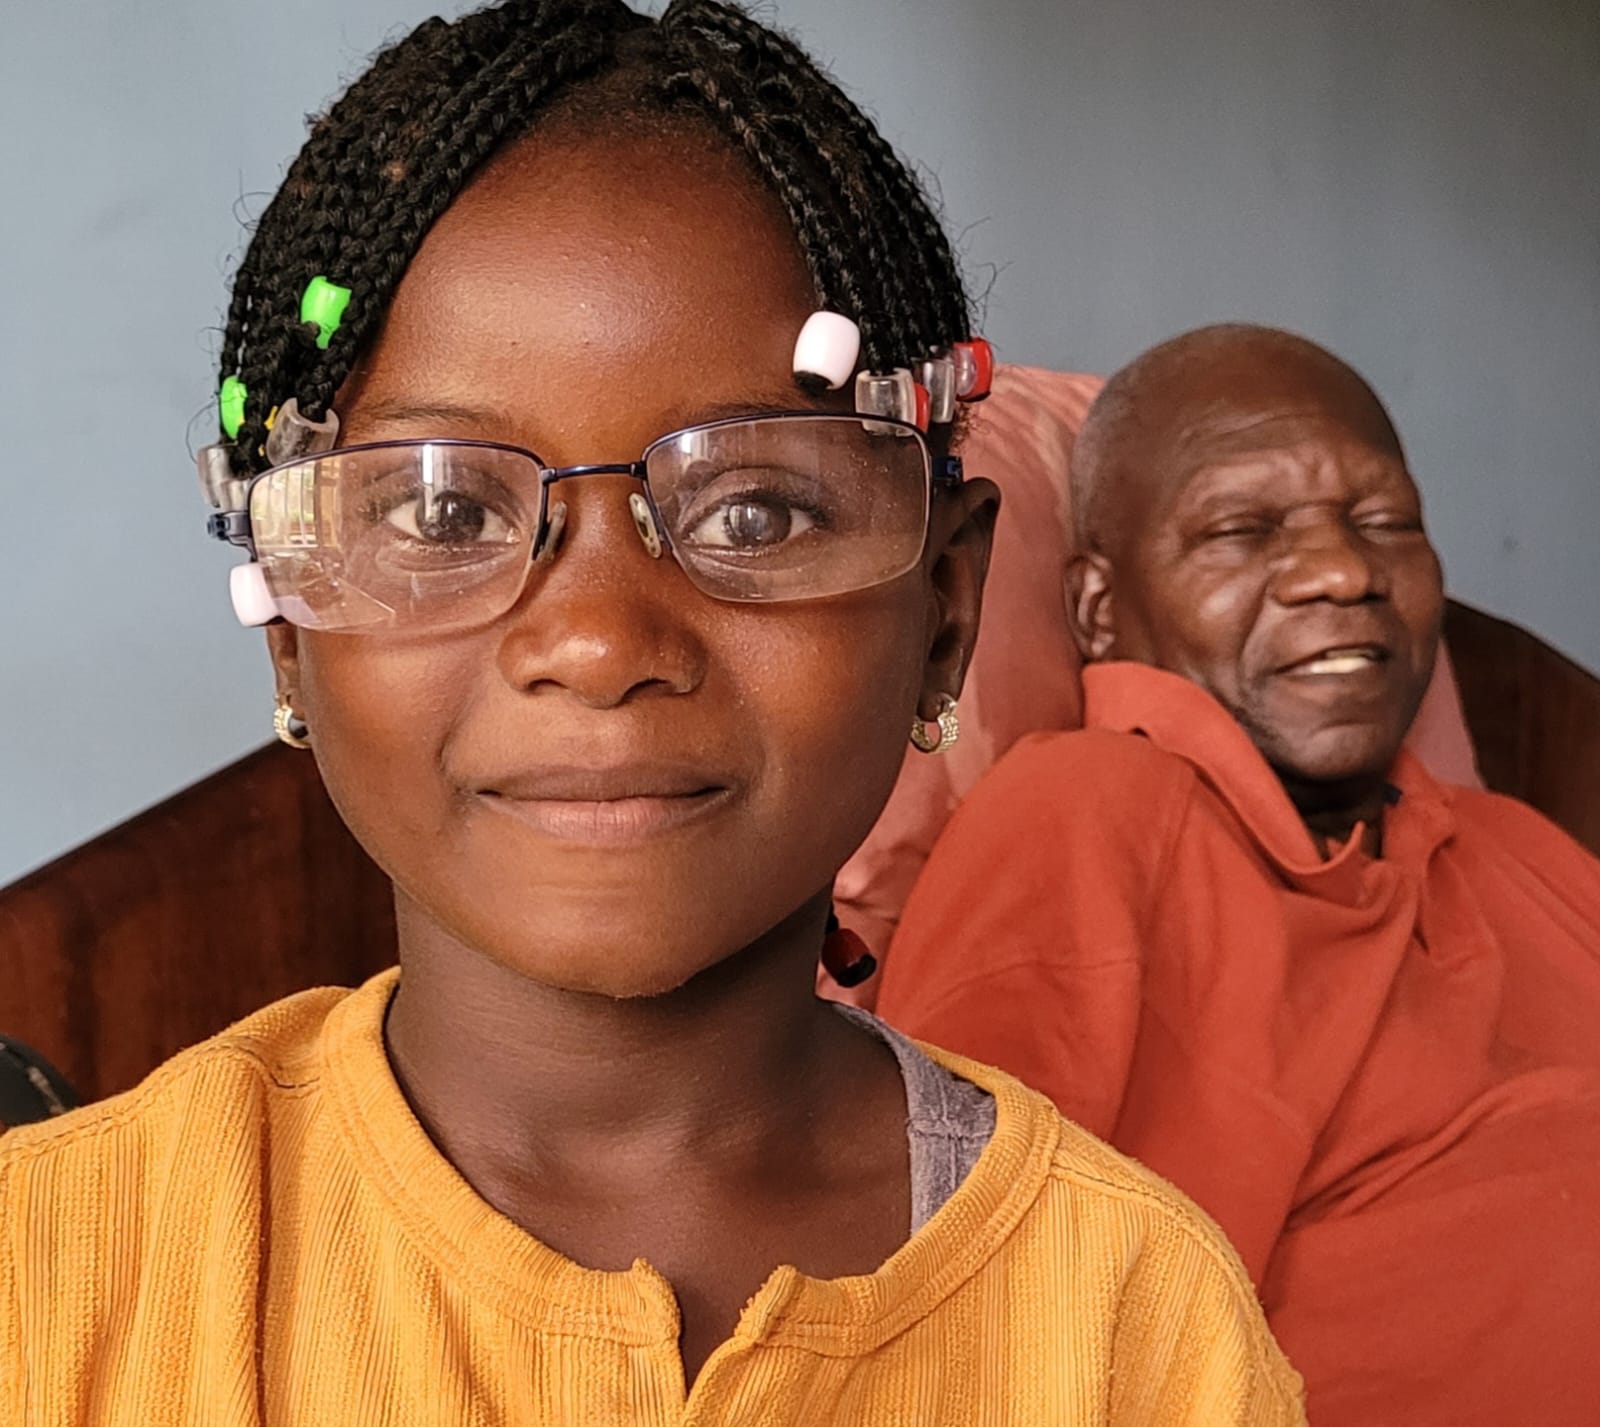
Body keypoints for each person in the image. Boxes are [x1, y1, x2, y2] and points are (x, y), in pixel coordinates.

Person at [0, 11, 1304, 1424]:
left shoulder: (1137, 1321)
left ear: (944, 610)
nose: (600, 642)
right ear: (289, 626)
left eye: (755, 510)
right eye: (443, 513)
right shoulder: (50, 1271)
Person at [877, 322, 1600, 1427]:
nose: (1343, 572)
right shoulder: (1086, 810)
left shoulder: (1515, 844)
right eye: (1241, 530)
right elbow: (960, 1307)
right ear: (1100, 611)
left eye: (1384, 523)